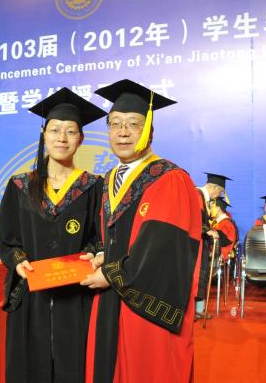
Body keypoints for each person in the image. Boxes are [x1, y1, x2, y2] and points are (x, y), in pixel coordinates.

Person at [82, 79, 202, 383]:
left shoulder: (169, 178)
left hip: (146, 306)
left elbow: (162, 250)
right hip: (110, 300)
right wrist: (102, 254)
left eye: (133, 124)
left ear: (149, 130)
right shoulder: (109, 179)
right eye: (115, 124)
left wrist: (110, 274)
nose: (123, 132)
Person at [0, 88, 106, 383]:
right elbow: (8, 238)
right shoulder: (20, 186)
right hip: (32, 293)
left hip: (76, 295)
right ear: (44, 135)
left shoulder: (92, 186)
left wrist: (94, 253)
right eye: (55, 130)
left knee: (75, 362)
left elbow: (99, 236)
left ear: (80, 138)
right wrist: (18, 260)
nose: (62, 138)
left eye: (71, 131)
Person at [195, 172, 231, 319]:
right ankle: (193, 311)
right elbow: (194, 216)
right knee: (195, 276)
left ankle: (198, 310)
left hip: (200, 242)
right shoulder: (197, 195)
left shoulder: (203, 198)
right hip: (194, 245)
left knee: (201, 275)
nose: (218, 196)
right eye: (220, 192)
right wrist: (207, 230)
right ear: (215, 187)